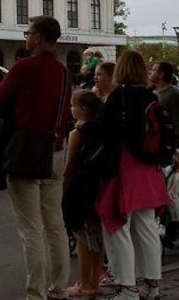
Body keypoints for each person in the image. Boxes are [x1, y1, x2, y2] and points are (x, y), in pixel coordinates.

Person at [0, 16, 72, 300]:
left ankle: (35, 293)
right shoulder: (63, 72)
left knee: (30, 229)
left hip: (27, 152)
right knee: (55, 223)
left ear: (37, 37)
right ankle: (59, 287)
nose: (25, 37)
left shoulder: (24, 67)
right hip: (56, 150)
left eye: (27, 32)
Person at [96, 50, 169, 300]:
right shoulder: (150, 95)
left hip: (123, 167)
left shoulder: (118, 97)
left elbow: (103, 134)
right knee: (148, 227)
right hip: (149, 169)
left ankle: (127, 287)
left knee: (118, 227)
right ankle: (152, 285)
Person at [62, 89, 106, 298]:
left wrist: (63, 191)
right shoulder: (99, 130)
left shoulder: (77, 133)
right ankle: (95, 280)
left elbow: (69, 166)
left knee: (83, 240)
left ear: (83, 109)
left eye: (73, 105)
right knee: (97, 239)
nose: (71, 109)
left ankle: (85, 283)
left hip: (80, 190)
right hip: (98, 189)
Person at [150, 61, 179, 250]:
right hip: (161, 149)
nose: (150, 72)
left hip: (172, 150)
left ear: (162, 73)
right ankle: (175, 232)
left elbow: (178, 124)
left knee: (174, 192)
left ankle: (177, 233)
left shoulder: (172, 95)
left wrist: (177, 151)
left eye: (154, 70)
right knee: (168, 193)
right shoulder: (155, 93)